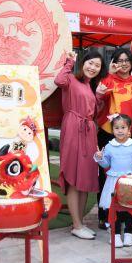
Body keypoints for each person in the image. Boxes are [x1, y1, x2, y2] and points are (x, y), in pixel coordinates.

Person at [55, 50, 105, 240]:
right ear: (83, 63)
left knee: (84, 177)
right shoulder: (70, 79)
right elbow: (58, 80)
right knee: (73, 177)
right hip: (73, 128)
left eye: (97, 65)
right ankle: (76, 225)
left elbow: (93, 111)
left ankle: (80, 223)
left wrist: (98, 96)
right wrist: (69, 61)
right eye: (90, 63)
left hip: (88, 131)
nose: (93, 67)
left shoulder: (90, 86)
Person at [96, 47, 132, 229]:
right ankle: (105, 214)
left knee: (129, 175)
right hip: (108, 132)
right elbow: (101, 97)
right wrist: (110, 74)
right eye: (119, 60)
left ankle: (128, 215)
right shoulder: (108, 80)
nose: (123, 64)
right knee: (106, 174)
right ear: (114, 62)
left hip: (129, 134)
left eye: (126, 60)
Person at [94, 114, 132, 248]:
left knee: (130, 207)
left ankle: (128, 233)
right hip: (114, 183)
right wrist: (100, 157)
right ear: (112, 130)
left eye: (123, 127)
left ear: (129, 129)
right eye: (116, 128)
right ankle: (115, 235)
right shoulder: (109, 146)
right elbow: (106, 164)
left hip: (130, 181)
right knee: (114, 208)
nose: (120, 131)